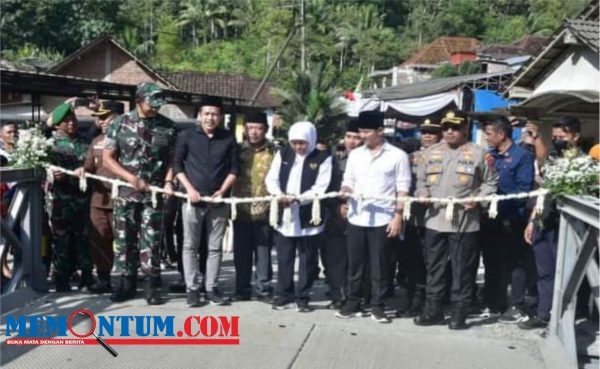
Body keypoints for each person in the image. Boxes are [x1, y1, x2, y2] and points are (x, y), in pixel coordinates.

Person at [414, 109, 498, 330]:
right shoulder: (429, 153)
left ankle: (459, 313)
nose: (449, 132)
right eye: (446, 128)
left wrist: (478, 199)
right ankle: (433, 310)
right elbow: (421, 181)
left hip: (465, 221)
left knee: (462, 269)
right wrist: (421, 193)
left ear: (464, 129)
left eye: (454, 127)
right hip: (435, 219)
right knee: (434, 267)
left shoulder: (479, 154)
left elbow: (490, 183)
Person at [103, 82, 177, 305]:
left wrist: (168, 181)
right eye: (151, 103)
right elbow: (108, 158)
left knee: (153, 238)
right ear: (139, 100)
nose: (156, 107)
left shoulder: (168, 126)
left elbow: (174, 159)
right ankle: (126, 283)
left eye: (158, 104)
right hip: (127, 191)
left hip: (154, 193)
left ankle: (151, 285)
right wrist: (131, 178)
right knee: (125, 238)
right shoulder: (119, 123)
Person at [336, 111, 411, 324]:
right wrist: (345, 192)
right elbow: (348, 179)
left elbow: (403, 188)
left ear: (380, 131)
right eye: (360, 131)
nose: (363, 135)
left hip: (383, 219)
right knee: (355, 263)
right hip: (357, 216)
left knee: (380, 265)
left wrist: (398, 216)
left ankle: (378, 306)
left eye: (367, 131)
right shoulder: (356, 155)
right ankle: (352, 302)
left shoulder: (397, 156)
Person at [172, 96, 239, 307]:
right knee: (189, 246)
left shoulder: (228, 138)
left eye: (215, 114)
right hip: (192, 201)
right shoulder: (187, 136)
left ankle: (211, 287)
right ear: (199, 115)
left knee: (214, 247)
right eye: (206, 113)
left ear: (221, 117)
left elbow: (235, 169)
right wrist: (189, 189)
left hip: (218, 201)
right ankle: (192, 289)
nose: (210, 118)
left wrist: (222, 191)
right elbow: (177, 165)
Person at [520, 116, 582, 329]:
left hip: (565, 226)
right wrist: (531, 221)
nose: (558, 141)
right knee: (544, 272)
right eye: (554, 137)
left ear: (575, 136)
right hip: (543, 222)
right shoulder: (553, 159)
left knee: (565, 274)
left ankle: (564, 319)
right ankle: (543, 313)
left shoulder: (583, 164)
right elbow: (542, 193)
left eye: (562, 137)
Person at [265, 121, 332, 312]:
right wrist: (279, 195)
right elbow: (272, 178)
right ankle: (284, 294)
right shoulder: (283, 154)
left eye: (302, 143)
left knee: (307, 259)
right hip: (284, 214)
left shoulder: (322, 157)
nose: (298, 147)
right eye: (294, 142)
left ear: (310, 140)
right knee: (284, 257)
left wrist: (298, 199)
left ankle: (302, 296)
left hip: (308, 214)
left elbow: (321, 186)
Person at [481, 117, 535, 322]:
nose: (486, 138)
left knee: (515, 264)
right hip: (490, 219)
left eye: (489, 134)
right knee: (492, 262)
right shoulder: (490, 156)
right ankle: (493, 303)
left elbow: (523, 190)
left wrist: (501, 204)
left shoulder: (522, 156)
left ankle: (517, 305)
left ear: (501, 134)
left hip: (512, 218)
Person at [74, 101, 125, 293]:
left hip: (122, 198)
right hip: (99, 198)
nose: (101, 122)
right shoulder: (97, 141)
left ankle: (129, 280)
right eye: (100, 118)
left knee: (125, 241)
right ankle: (104, 279)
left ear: (119, 118)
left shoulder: (128, 139)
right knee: (99, 237)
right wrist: (83, 170)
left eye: (106, 118)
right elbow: (89, 163)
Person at [46, 103, 93, 292]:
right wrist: (51, 173)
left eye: (73, 119)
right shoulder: (50, 144)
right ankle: (62, 279)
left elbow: (92, 162)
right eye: (66, 121)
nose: (72, 123)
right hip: (61, 200)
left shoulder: (84, 141)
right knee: (61, 240)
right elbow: (39, 167)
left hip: (83, 198)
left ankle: (87, 277)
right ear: (57, 125)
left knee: (85, 239)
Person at [398, 117, 442, 317]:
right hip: (413, 217)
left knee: (432, 262)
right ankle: (412, 300)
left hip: (436, 216)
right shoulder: (411, 157)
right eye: (424, 132)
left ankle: (431, 302)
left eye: (431, 132)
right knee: (411, 260)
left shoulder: (446, 156)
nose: (427, 136)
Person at [230, 112, 275, 301]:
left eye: (258, 128)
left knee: (263, 252)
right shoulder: (237, 151)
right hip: (241, 210)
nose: (254, 132)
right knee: (241, 252)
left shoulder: (274, 152)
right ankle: (242, 289)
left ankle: (263, 289)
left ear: (265, 130)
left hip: (265, 211)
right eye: (250, 128)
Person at [323, 118, 362, 309]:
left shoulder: (366, 159)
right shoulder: (333, 159)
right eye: (348, 137)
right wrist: (337, 207)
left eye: (356, 137)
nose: (352, 141)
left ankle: (355, 295)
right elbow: (325, 186)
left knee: (356, 259)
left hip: (360, 213)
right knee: (334, 258)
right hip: (334, 215)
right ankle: (337, 294)